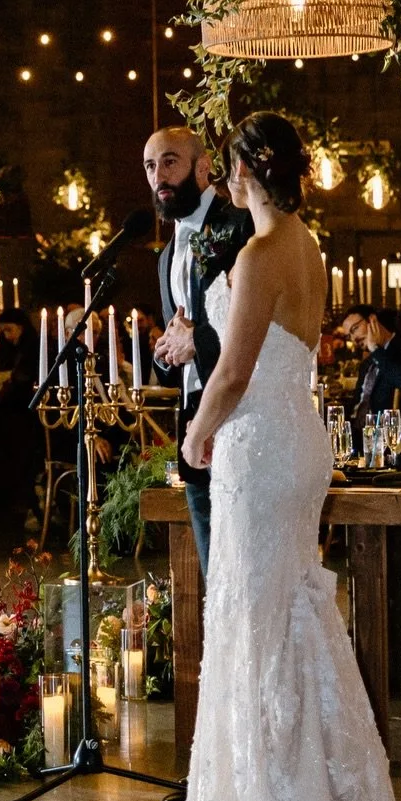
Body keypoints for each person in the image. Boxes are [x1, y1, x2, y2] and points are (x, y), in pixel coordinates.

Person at [177, 112, 401, 801]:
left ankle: (277, 798)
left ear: (245, 172)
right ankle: (323, 787)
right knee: (294, 607)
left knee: (255, 612)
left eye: (228, 166)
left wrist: (194, 433)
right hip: (296, 438)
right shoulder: (307, 246)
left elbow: (236, 369)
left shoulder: (260, 252)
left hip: (261, 445)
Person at [146, 123, 254, 579]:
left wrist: (198, 341)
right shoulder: (166, 255)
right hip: (192, 412)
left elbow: (259, 324)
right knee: (214, 568)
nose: (159, 176)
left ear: (204, 167)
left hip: (243, 409)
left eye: (170, 161)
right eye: (151, 166)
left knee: (246, 559)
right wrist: (165, 352)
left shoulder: (240, 225)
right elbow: (180, 339)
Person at [340, 306, 401, 421]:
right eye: (349, 336)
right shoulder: (367, 362)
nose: (353, 339)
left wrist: (375, 349)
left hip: (386, 430)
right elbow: (357, 403)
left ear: (372, 319)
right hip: (356, 430)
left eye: (355, 329)